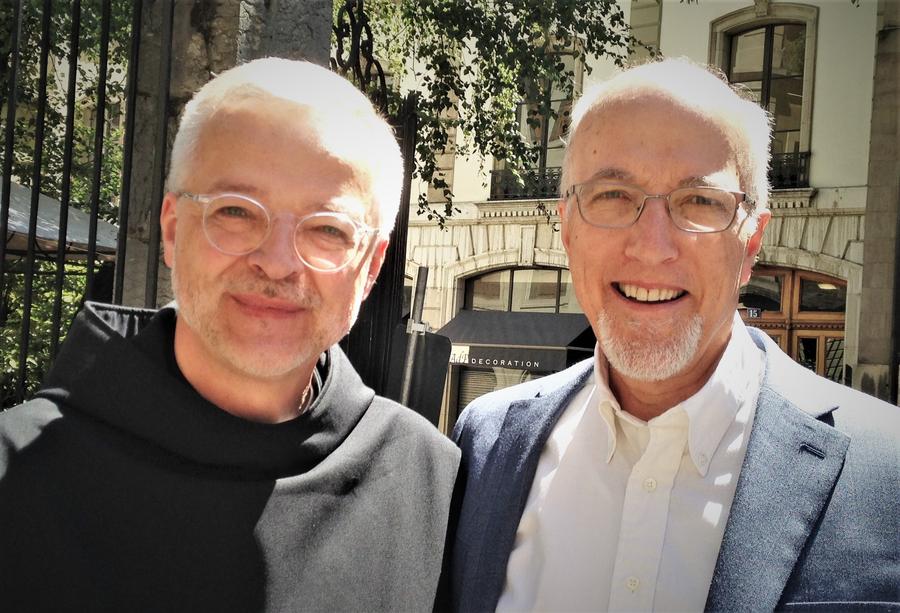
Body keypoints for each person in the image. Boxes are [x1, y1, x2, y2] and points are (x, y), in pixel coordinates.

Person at [0, 58, 459, 612]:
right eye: (237, 211)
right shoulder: (15, 476)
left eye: (328, 229)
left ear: (371, 268)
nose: (277, 262)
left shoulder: (434, 488)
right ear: (173, 230)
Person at [444, 58, 899, 612]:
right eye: (613, 194)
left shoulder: (887, 473)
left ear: (752, 242)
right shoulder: (485, 446)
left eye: (700, 201)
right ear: (567, 227)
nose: (651, 247)